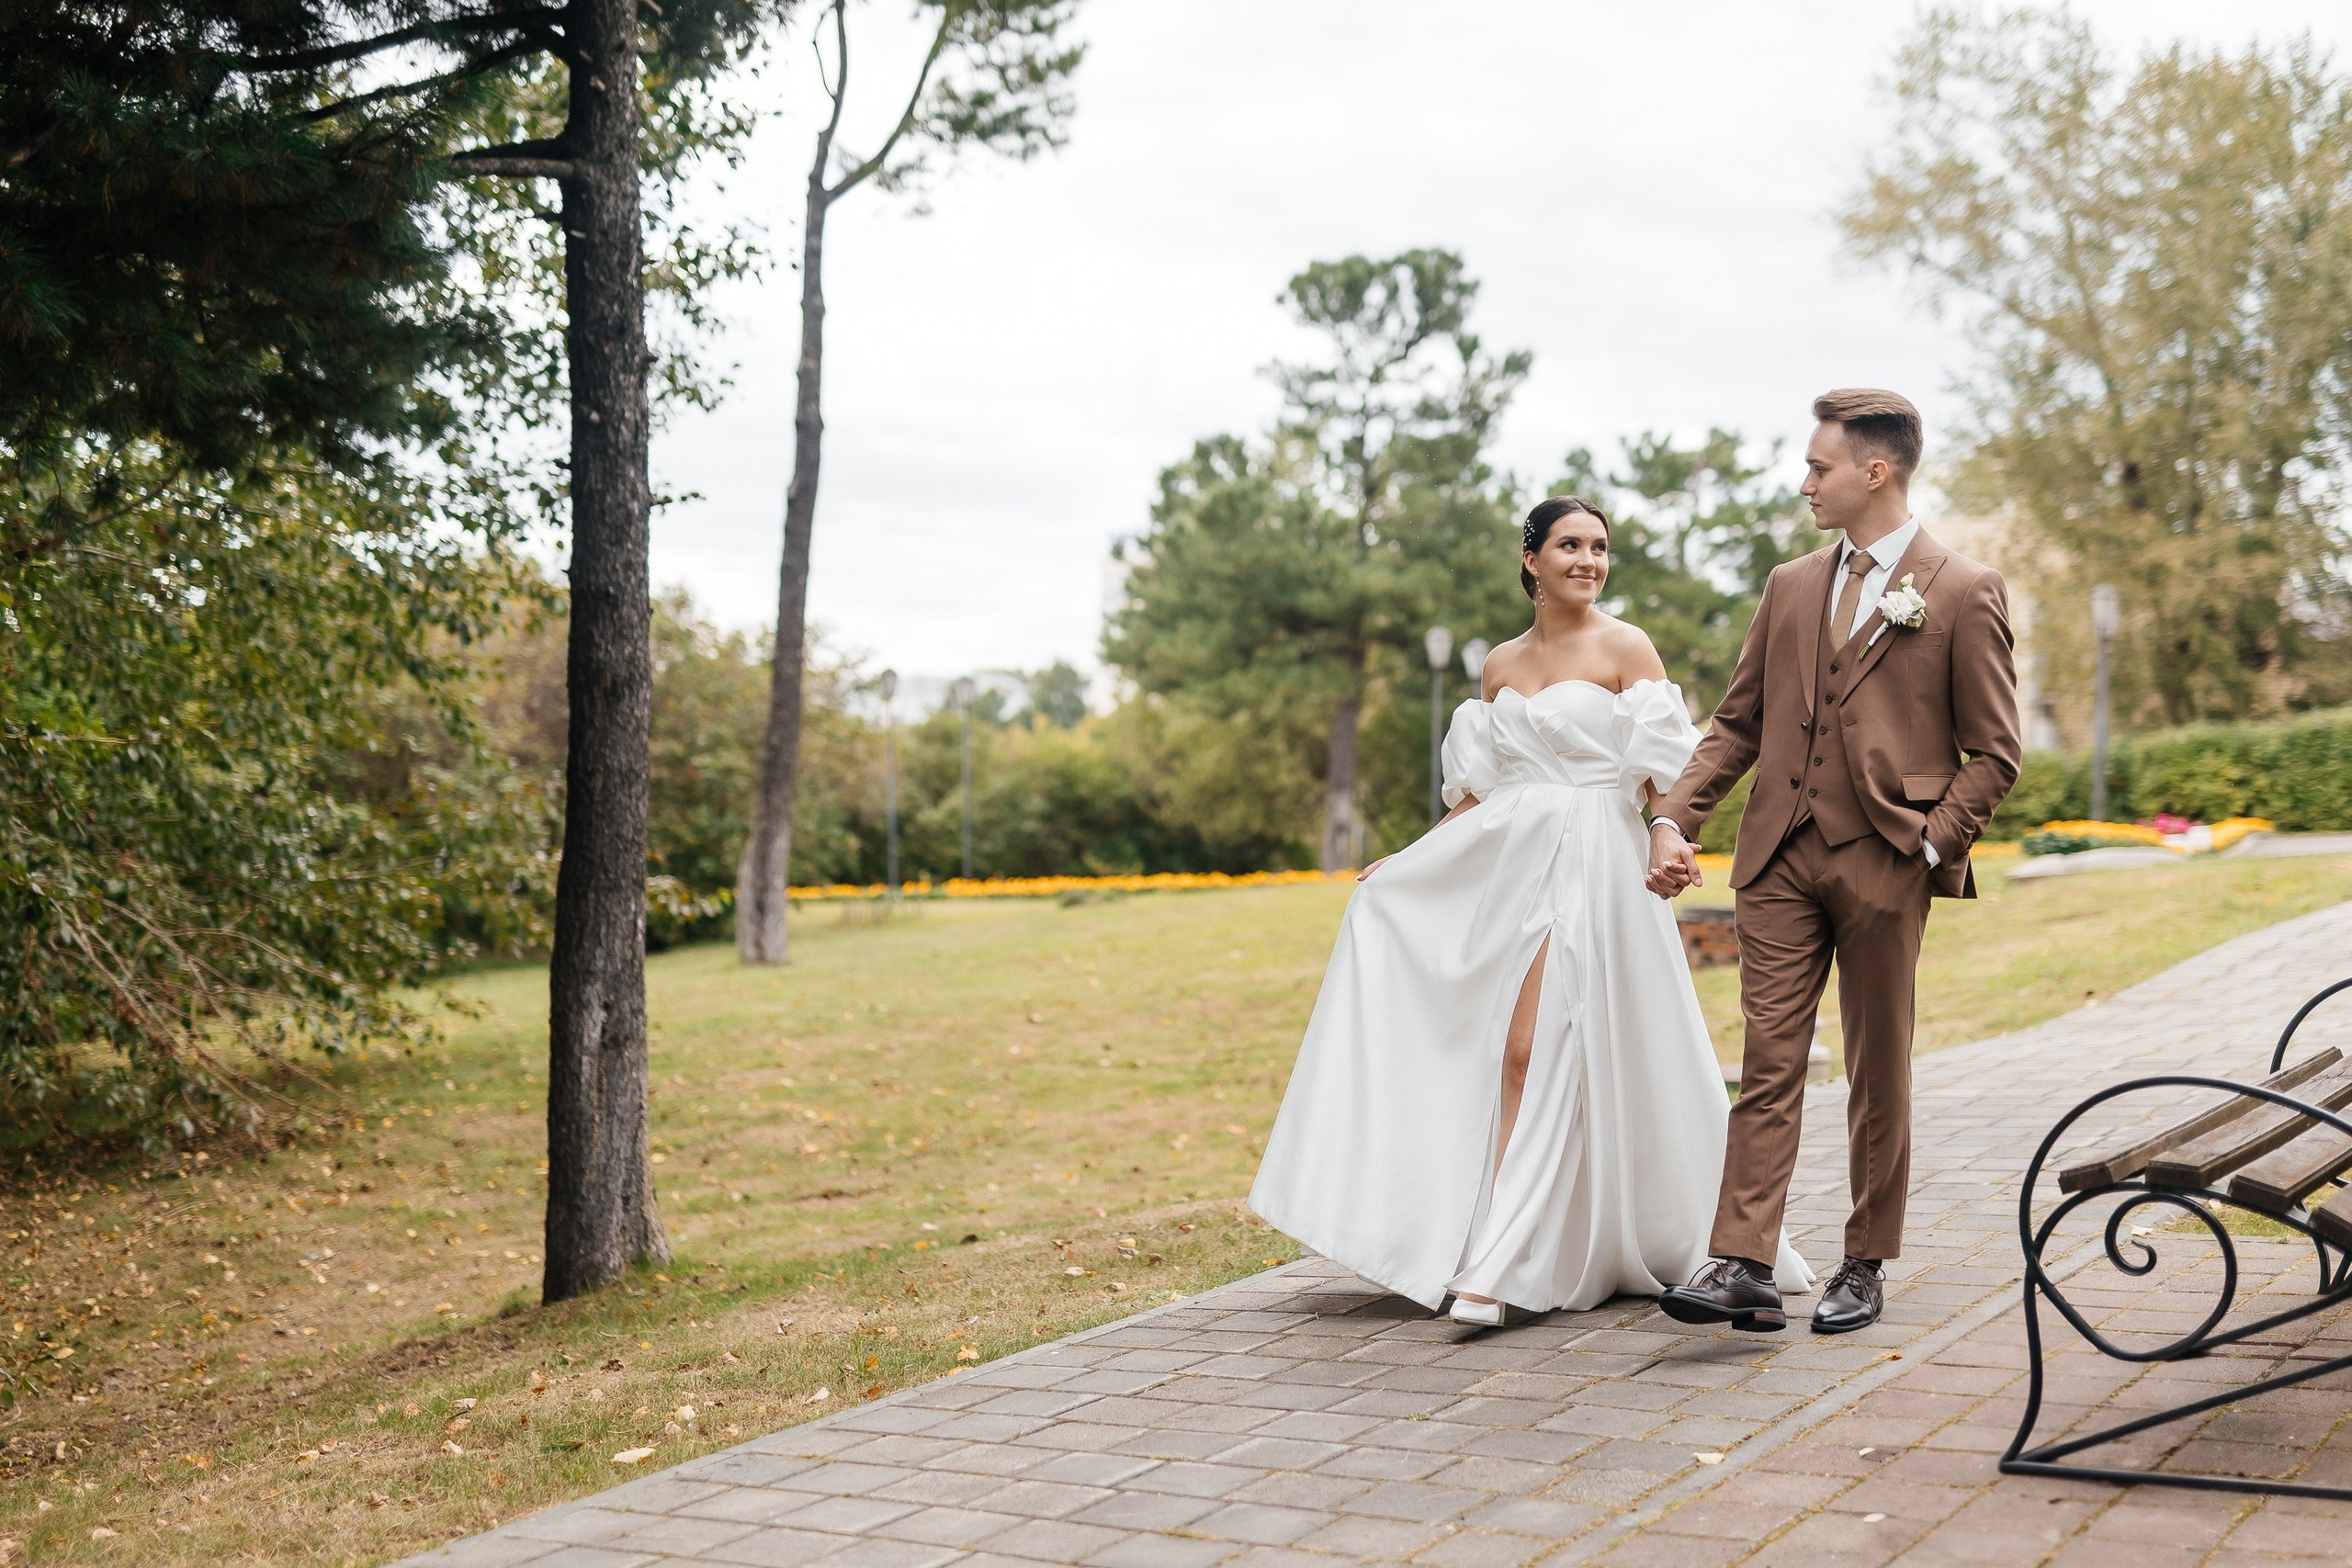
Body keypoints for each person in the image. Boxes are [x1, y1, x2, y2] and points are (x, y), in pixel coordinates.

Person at [1249, 496, 1813, 1326]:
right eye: (1570, 545)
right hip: (1512, 866)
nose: (1589, 560)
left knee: (1535, 1048)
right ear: (1531, 558)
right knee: (1517, 1054)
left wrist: (1670, 835)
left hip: (1599, 864)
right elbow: (1481, 792)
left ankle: (1504, 1264)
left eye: (1600, 546)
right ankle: (1508, 1242)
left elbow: (1670, 774)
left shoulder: (1626, 646)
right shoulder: (1499, 665)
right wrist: (1408, 860)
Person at [1650, 389, 2020, 1335]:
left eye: (1819, 467)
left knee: (1875, 1065)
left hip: (1886, 859)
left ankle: (1865, 1259)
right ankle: (1742, 1261)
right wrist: (1675, 817)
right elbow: (1737, 722)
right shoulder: (1790, 585)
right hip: (1778, 856)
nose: (1805, 483)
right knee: (1768, 1060)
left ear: (1874, 471)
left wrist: (1928, 842)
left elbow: (1995, 753)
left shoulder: (1961, 589)